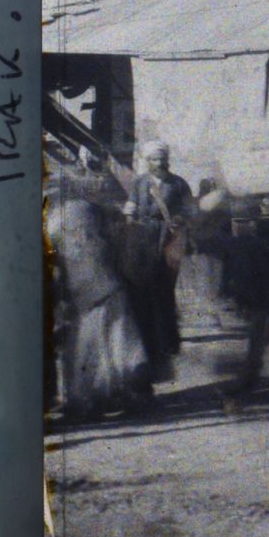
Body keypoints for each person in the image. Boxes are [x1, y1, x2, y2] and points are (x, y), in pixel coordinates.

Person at [46, 162, 153, 419]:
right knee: (118, 343)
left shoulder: (54, 220)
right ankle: (128, 395)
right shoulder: (91, 210)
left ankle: (87, 402)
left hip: (83, 290)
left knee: (87, 349)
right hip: (109, 283)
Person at [121, 140, 193, 384]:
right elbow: (130, 207)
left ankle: (168, 339)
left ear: (167, 160)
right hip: (143, 238)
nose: (158, 163)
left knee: (165, 287)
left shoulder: (178, 183)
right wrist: (130, 225)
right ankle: (147, 337)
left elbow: (190, 210)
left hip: (169, 238)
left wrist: (180, 220)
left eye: (161, 159)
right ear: (148, 161)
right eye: (153, 159)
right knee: (144, 287)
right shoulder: (140, 182)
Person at [219, 199, 269, 400]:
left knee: (256, 340)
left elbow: (243, 273)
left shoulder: (250, 246)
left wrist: (238, 297)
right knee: (260, 341)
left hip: (259, 300)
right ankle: (250, 375)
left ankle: (248, 379)